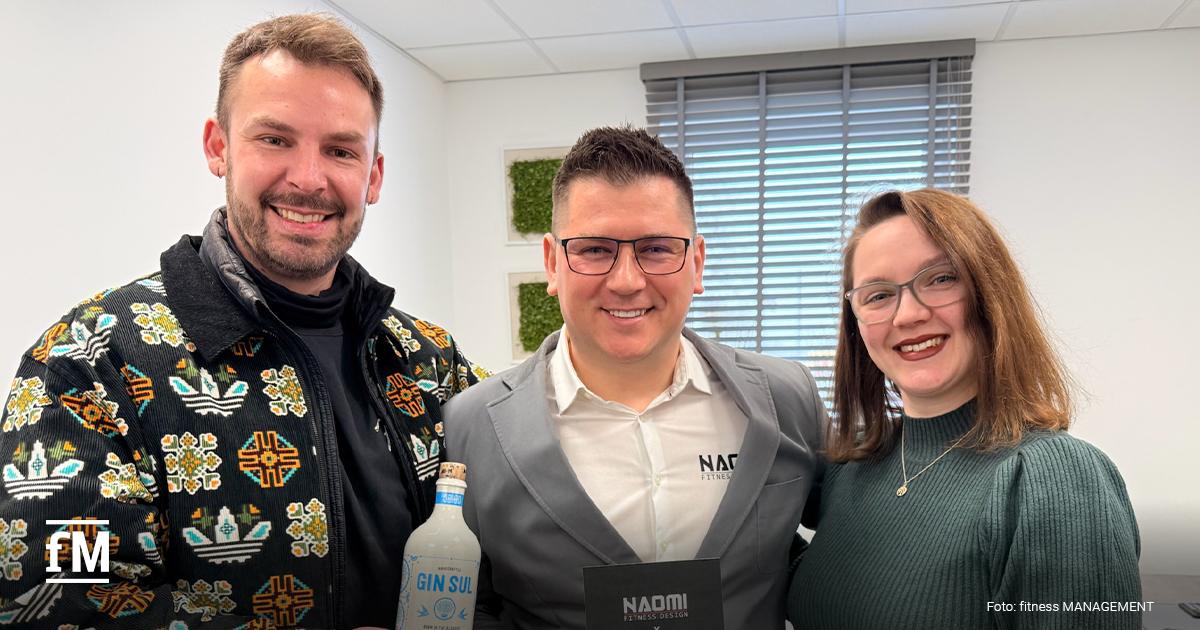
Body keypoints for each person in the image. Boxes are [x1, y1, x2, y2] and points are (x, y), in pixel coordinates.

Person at [0, 14, 486, 629]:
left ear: (374, 176)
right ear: (218, 146)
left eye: (340, 150)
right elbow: (50, 597)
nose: (308, 179)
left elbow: (505, 566)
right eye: (275, 139)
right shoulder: (91, 361)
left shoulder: (429, 361)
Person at [443, 126, 826, 629]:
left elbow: (839, 556)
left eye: (658, 249)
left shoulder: (787, 398)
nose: (626, 281)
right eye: (595, 250)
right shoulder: (470, 426)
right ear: (552, 263)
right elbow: (470, 602)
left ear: (697, 262)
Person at [788, 189, 1141, 629]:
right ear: (857, 324)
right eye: (877, 295)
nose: (907, 315)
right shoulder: (853, 466)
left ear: (990, 293)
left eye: (940, 279)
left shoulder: (1054, 479)